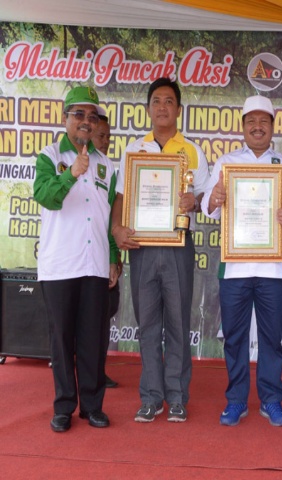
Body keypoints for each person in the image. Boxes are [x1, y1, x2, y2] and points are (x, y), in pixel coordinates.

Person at [202, 95, 282, 427]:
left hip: (273, 268)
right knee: (234, 337)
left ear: (273, 127)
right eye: (251, 121)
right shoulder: (226, 163)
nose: (257, 127)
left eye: (264, 121)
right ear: (243, 127)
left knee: (271, 339)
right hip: (234, 267)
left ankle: (271, 399)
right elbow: (207, 207)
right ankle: (236, 400)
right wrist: (214, 197)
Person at [111, 78, 209, 423]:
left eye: (169, 101)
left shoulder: (193, 151)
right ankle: (151, 396)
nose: (163, 107)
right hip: (142, 247)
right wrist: (117, 229)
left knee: (178, 323)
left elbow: (205, 198)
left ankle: (177, 396)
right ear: (148, 109)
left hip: (178, 246)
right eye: (156, 101)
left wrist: (193, 201)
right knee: (148, 323)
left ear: (179, 109)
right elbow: (121, 197)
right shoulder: (134, 150)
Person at [34, 86, 119, 432]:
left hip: (95, 264)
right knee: (62, 339)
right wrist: (71, 173)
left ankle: (92, 406)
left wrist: (113, 258)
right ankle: (64, 406)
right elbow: (46, 196)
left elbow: (110, 218)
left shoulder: (107, 165)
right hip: (59, 265)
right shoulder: (49, 156)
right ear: (65, 117)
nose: (86, 121)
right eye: (79, 114)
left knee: (92, 340)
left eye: (92, 116)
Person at [93, 114, 121, 389]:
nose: (106, 142)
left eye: (108, 138)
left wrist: (115, 258)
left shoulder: (110, 170)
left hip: (104, 256)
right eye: (101, 136)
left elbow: (113, 220)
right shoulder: (70, 166)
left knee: (104, 314)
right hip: (77, 259)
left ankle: (97, 372)